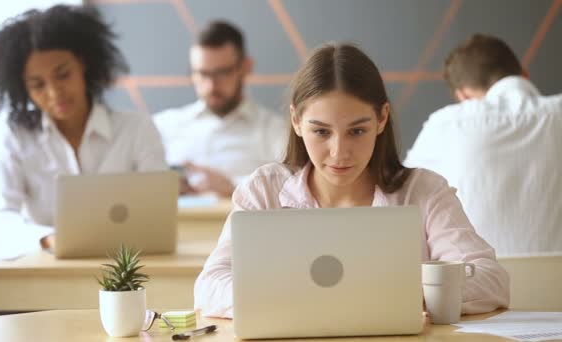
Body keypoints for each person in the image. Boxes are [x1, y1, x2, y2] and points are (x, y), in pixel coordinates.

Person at [194, 43, 510, 319]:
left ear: (382, 118)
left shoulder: (424, 191)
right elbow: (210, 286)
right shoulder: (264, 190)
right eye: (321, 131)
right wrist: (307, 300)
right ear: (296, 121)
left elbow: (490, 279)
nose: (339, 152)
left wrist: (404, 296)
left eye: (357, 131)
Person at [0, 5, 167, 252]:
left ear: (84, 64)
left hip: (128, 264)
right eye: (38, 85)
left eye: (63, 74)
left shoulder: (136, 129)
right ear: (22, 88)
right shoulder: (13, 138)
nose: (55, 93)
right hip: (47, 268)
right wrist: (49, 239)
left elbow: (159, 211)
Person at [405, 34, 562, 256]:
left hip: (474, 284)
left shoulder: (448, 123)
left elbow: (401, 196)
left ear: (463, 95)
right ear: (524, 75)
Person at [154, 20, 285, 198]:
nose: (211, 85)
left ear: (246, 67)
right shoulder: (163, 125)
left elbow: (293, 188)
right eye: (202, 74)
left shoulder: (275, 131)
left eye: (222, 73)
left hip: (240, 224)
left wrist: (233, 186)